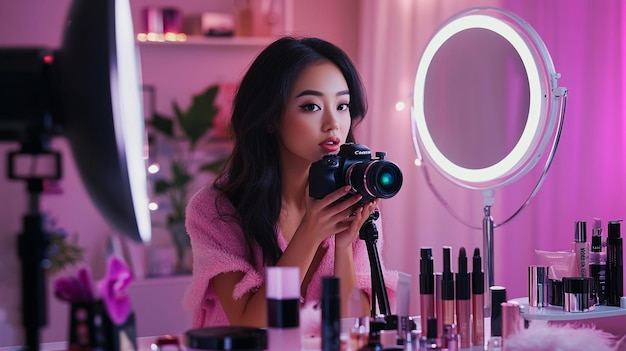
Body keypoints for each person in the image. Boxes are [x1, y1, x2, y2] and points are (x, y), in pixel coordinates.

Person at [183, 36, 397, 334]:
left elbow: (354, 328)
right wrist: (310, 234)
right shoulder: (216, 209)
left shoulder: (355, 193)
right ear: (270, 117)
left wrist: (344, 246)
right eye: (310, 106)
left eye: (342, 105)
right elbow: (249, 326)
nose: (333, 123)